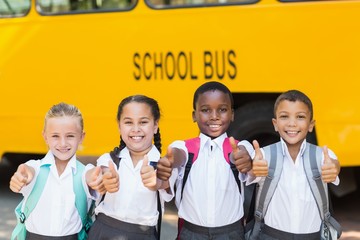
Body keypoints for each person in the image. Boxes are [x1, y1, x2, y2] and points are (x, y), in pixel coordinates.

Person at [156, 81, 254, 240]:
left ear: (232, 114)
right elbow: (178, 155)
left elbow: (246, 160)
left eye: (222, 110)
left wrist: (246, 162)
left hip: (231, 233)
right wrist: (170, 161)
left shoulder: (241, 147)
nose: (214, 116)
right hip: (191, 233)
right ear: (194, 115)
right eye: (205, 110)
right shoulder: (184, 147)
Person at [249, 89, 341, 240]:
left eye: (300, 117)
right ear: (275, 124)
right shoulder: (263, 156)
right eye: (284, 116)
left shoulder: (323, 156)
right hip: (271, 235)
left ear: (311, 125)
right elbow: (252, 172)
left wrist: (334, 168)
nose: (292, 123)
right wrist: (254, 169)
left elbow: (334, 164)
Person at [85, 95, 171, 240]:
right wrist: (104, 179)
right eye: (128, 122)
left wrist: (157, 181)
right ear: (119, 126)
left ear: (155, 126)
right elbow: (102, 173)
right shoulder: (109, 159)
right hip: (102, 233)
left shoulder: (164, 165)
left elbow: (166, 183)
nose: (136, 129)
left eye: (143, 122)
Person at [9, 102, 95, 240]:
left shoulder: (86, 173)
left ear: (81, 137)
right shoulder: (34, 169)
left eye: (70, 136)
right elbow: (26, 171)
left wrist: (101, 178)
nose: (62, 143)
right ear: (45, 136)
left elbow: (93, 177)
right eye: (55, 136)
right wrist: (21, 176)